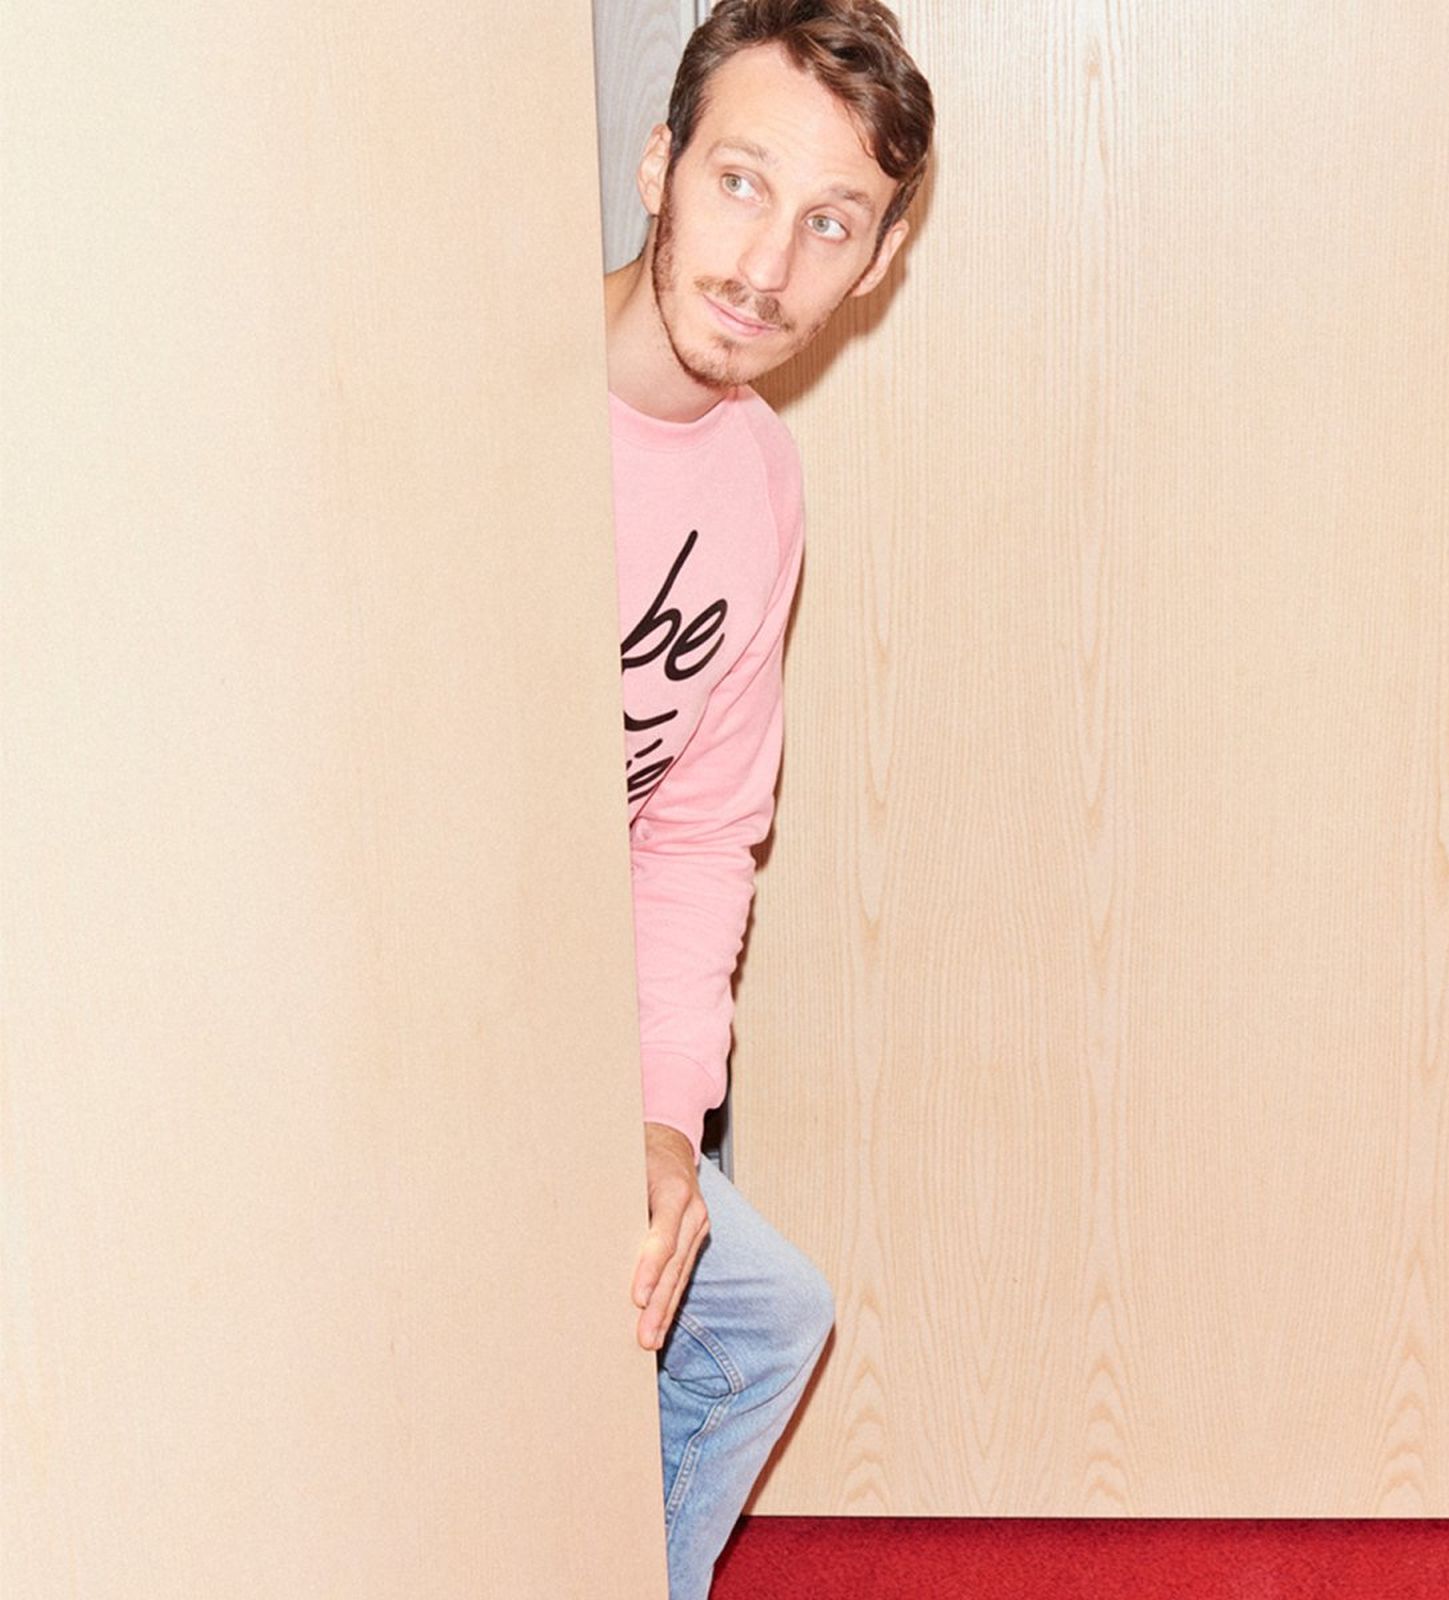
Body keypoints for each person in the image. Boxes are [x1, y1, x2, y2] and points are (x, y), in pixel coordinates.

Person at [601, 3, 933, 1594]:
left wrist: (666, 1127)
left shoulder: (758, 481)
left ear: (873, 268)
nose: (763, 267)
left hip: (574, 1029)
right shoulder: (479, 396)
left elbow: (700, 827)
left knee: (757, 1312)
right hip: (403, 1030)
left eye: (828, 225)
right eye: (737, 183)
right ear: (658, 163)